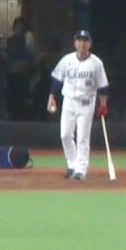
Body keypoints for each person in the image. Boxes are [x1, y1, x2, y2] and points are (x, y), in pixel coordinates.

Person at [47, 30, 109, 181]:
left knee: (82, 137)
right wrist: (52, 97)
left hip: (86, 103)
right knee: (65, 135)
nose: (82, 44)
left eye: (85, 41)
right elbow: (57, 80)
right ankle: (72, 164)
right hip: (69, 101)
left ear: (90, 43)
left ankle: (81, 169)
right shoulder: (67, 60)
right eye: (79, 40)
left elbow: (103, 86)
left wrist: (103, 105)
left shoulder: (96, 63)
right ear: (75, 43)